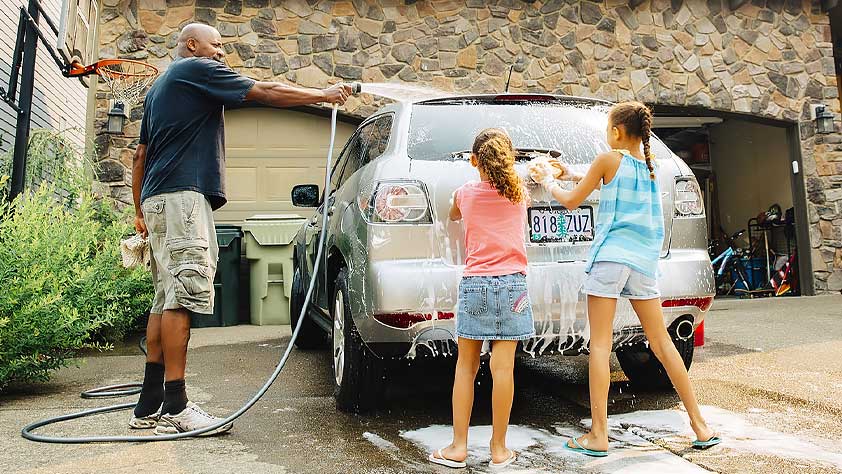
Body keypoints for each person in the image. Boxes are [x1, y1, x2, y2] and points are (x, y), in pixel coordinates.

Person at [131, 23, 352, 435]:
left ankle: (148, 407)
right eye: (216, 45)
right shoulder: (194, 69)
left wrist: (140, 210)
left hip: (159, 198)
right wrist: (322, 95)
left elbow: (140, 155)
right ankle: (177, 407)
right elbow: (263, 91)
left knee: (164, 299)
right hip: (183, 198)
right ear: (192, 45)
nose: (221, 52)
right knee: (183, 297)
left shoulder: (160, 87)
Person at [529, 102, 720, 456]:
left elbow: (571, 200)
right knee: (662, 343)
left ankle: (598, 435)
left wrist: (547, 181)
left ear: (616, 131)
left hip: (610, 261)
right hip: (643, 264)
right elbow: (606, 176)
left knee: (600, 345)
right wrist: (569, 170)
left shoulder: (606, 160)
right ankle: (699, 425)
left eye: (607, 129)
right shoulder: (652, 166)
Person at [430, 129, 535, 469]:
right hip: (513, 287)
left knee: (466, 366)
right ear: (509, 160)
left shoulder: (465, 194)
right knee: (503, 369)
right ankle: (499, 450)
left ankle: (458, 447)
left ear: (474, 161)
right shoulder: (520, 195)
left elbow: (453, 214)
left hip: (476, 284)